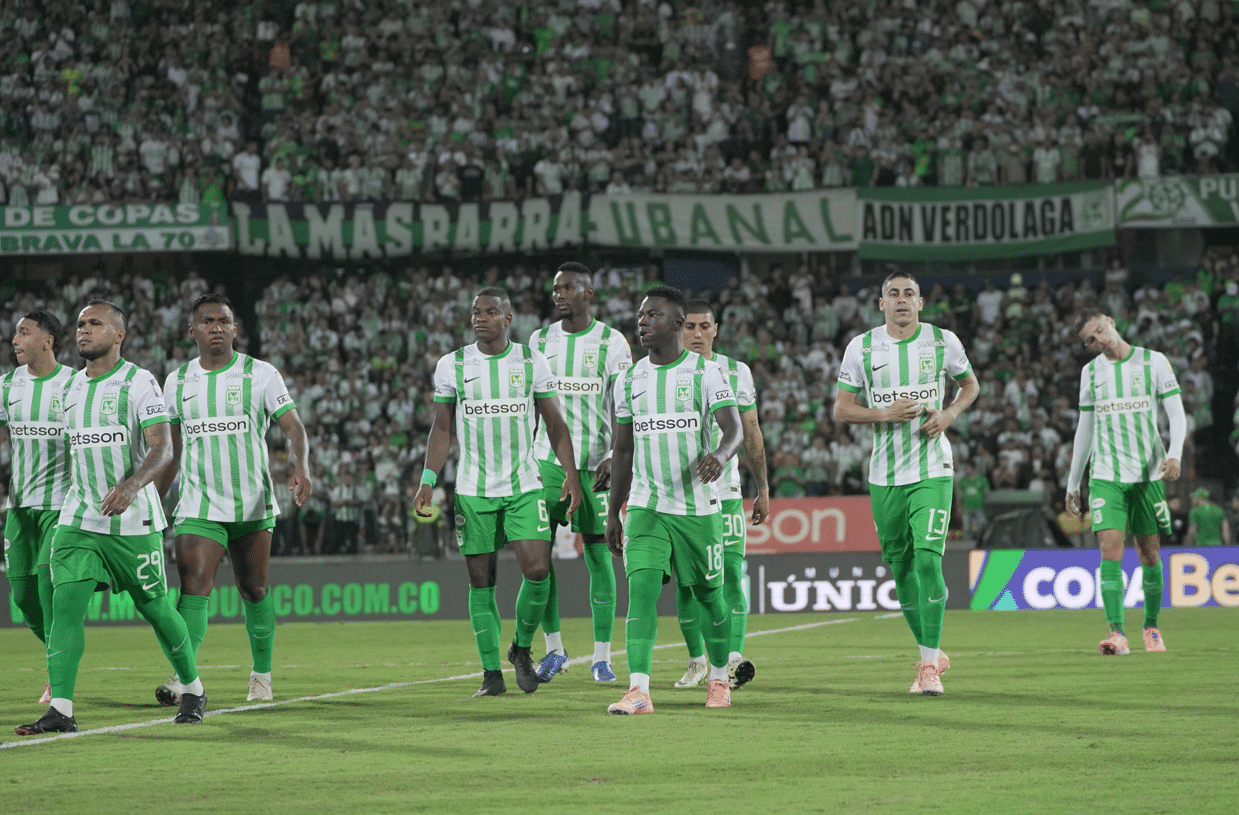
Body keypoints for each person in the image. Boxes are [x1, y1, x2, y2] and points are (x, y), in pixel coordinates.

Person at [15, 300, 206, 735]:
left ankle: (193, 688)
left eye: (95, 324)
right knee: (63, 607)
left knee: (154, 606)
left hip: (131, 520)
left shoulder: (139, 383)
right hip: (79, 516)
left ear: (118, 334)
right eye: (80, 324)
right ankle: (61, 710)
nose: (84, 330)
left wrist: (131, 486)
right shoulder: (69, 389)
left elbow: (163, 447)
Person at [414, 288, 583, 697]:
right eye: (476, 312)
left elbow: (556, 424)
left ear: (508, 319)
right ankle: (492, 675)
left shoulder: (530, 361)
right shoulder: (451, 365)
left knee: (538, 571)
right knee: (481, 582)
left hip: (523, 485)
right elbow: (442, 428)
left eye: (491, 312)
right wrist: (428, 480)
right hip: (474, 489)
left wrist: (570, 474)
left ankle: (521, 648)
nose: (481, 318)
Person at [152, 294, 312, 706]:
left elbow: (293, 427)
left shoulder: (261, 374)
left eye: (224, 320)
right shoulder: (177, 381)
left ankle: (261, 676)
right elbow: (170, 450)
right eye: (207, 321)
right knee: (193, 588)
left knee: (253, 589)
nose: (217, 327)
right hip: (198, 503)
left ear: (235, 328)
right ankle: (184, 677)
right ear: (193, 331)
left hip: (252, 503)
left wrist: (302, 467)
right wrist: (152, 500)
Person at [834, 271, 979, 696]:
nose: (901, 300)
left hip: (932, 468)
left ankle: (928, 667)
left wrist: (949, 415)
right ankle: (930, 652)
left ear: (920, 302)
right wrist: (884, 414)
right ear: (882, 304)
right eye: (893, 294)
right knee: (900, 567)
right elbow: (842, 410)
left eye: (909, 294)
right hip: (884, 476)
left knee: (929, 562)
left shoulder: (942, 341)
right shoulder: (861, 347)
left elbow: (970, 385)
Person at [605, 285, 744, 715]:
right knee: (642, 590)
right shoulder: (628, 379)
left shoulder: (706, 374)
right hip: (647, 504)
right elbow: (623, 451)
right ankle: (639, 690)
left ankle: (719, 678)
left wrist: (720, 456)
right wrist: (614, 510)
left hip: (697, 508)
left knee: (710, 598)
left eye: (654, 316)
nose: (643, 322)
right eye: (642, 315)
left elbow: (733, 428)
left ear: (678, 325)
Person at [527, 262, 632, 684]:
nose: (559, 294)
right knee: (539, 557)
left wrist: (613, 454)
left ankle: (602, 657)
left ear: (588, 293)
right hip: (547, 464)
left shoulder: (613, 342)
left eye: (568, 287)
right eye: (556, 288)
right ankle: (554, 650)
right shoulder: (539, 340)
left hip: (594, 467)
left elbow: (624, 404)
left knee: (598, 556)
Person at [1066, 308, 1185, 656]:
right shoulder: (1091, 373)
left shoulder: (1154, 362)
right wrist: (1074, 481)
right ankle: (1117, 633)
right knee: (1109, 549)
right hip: (1106, 477)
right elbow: (1084, 430)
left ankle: (1151, 627)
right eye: (1090, 340)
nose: (1099, 340)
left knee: (1149, 554)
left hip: (1148, 476)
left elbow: (1176, 413)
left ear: (1111, 323)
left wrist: (1175, 453)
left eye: (1100, 331)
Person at [671, 299, 769, 691]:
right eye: (689, 326)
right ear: (679, 329)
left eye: (704, 326)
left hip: (726, 492)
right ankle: (697, 660)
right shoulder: (663, 371)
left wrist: (762, 488)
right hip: (678, 495)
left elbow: (751, 431)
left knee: (731, 572)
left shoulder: (736, 371)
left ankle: (731, 660)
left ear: (716, 330)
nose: (697, 334)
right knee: (688, 583)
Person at [1, 311, 73, 705]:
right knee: (23, 596)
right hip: (20, 508)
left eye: (24, 333)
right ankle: (61, 648)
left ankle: (57, 676)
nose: (15, 340)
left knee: (48, 590)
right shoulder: (7, 385)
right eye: (14, 333)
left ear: (47, 340)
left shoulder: (74, 385)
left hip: (60, 507)